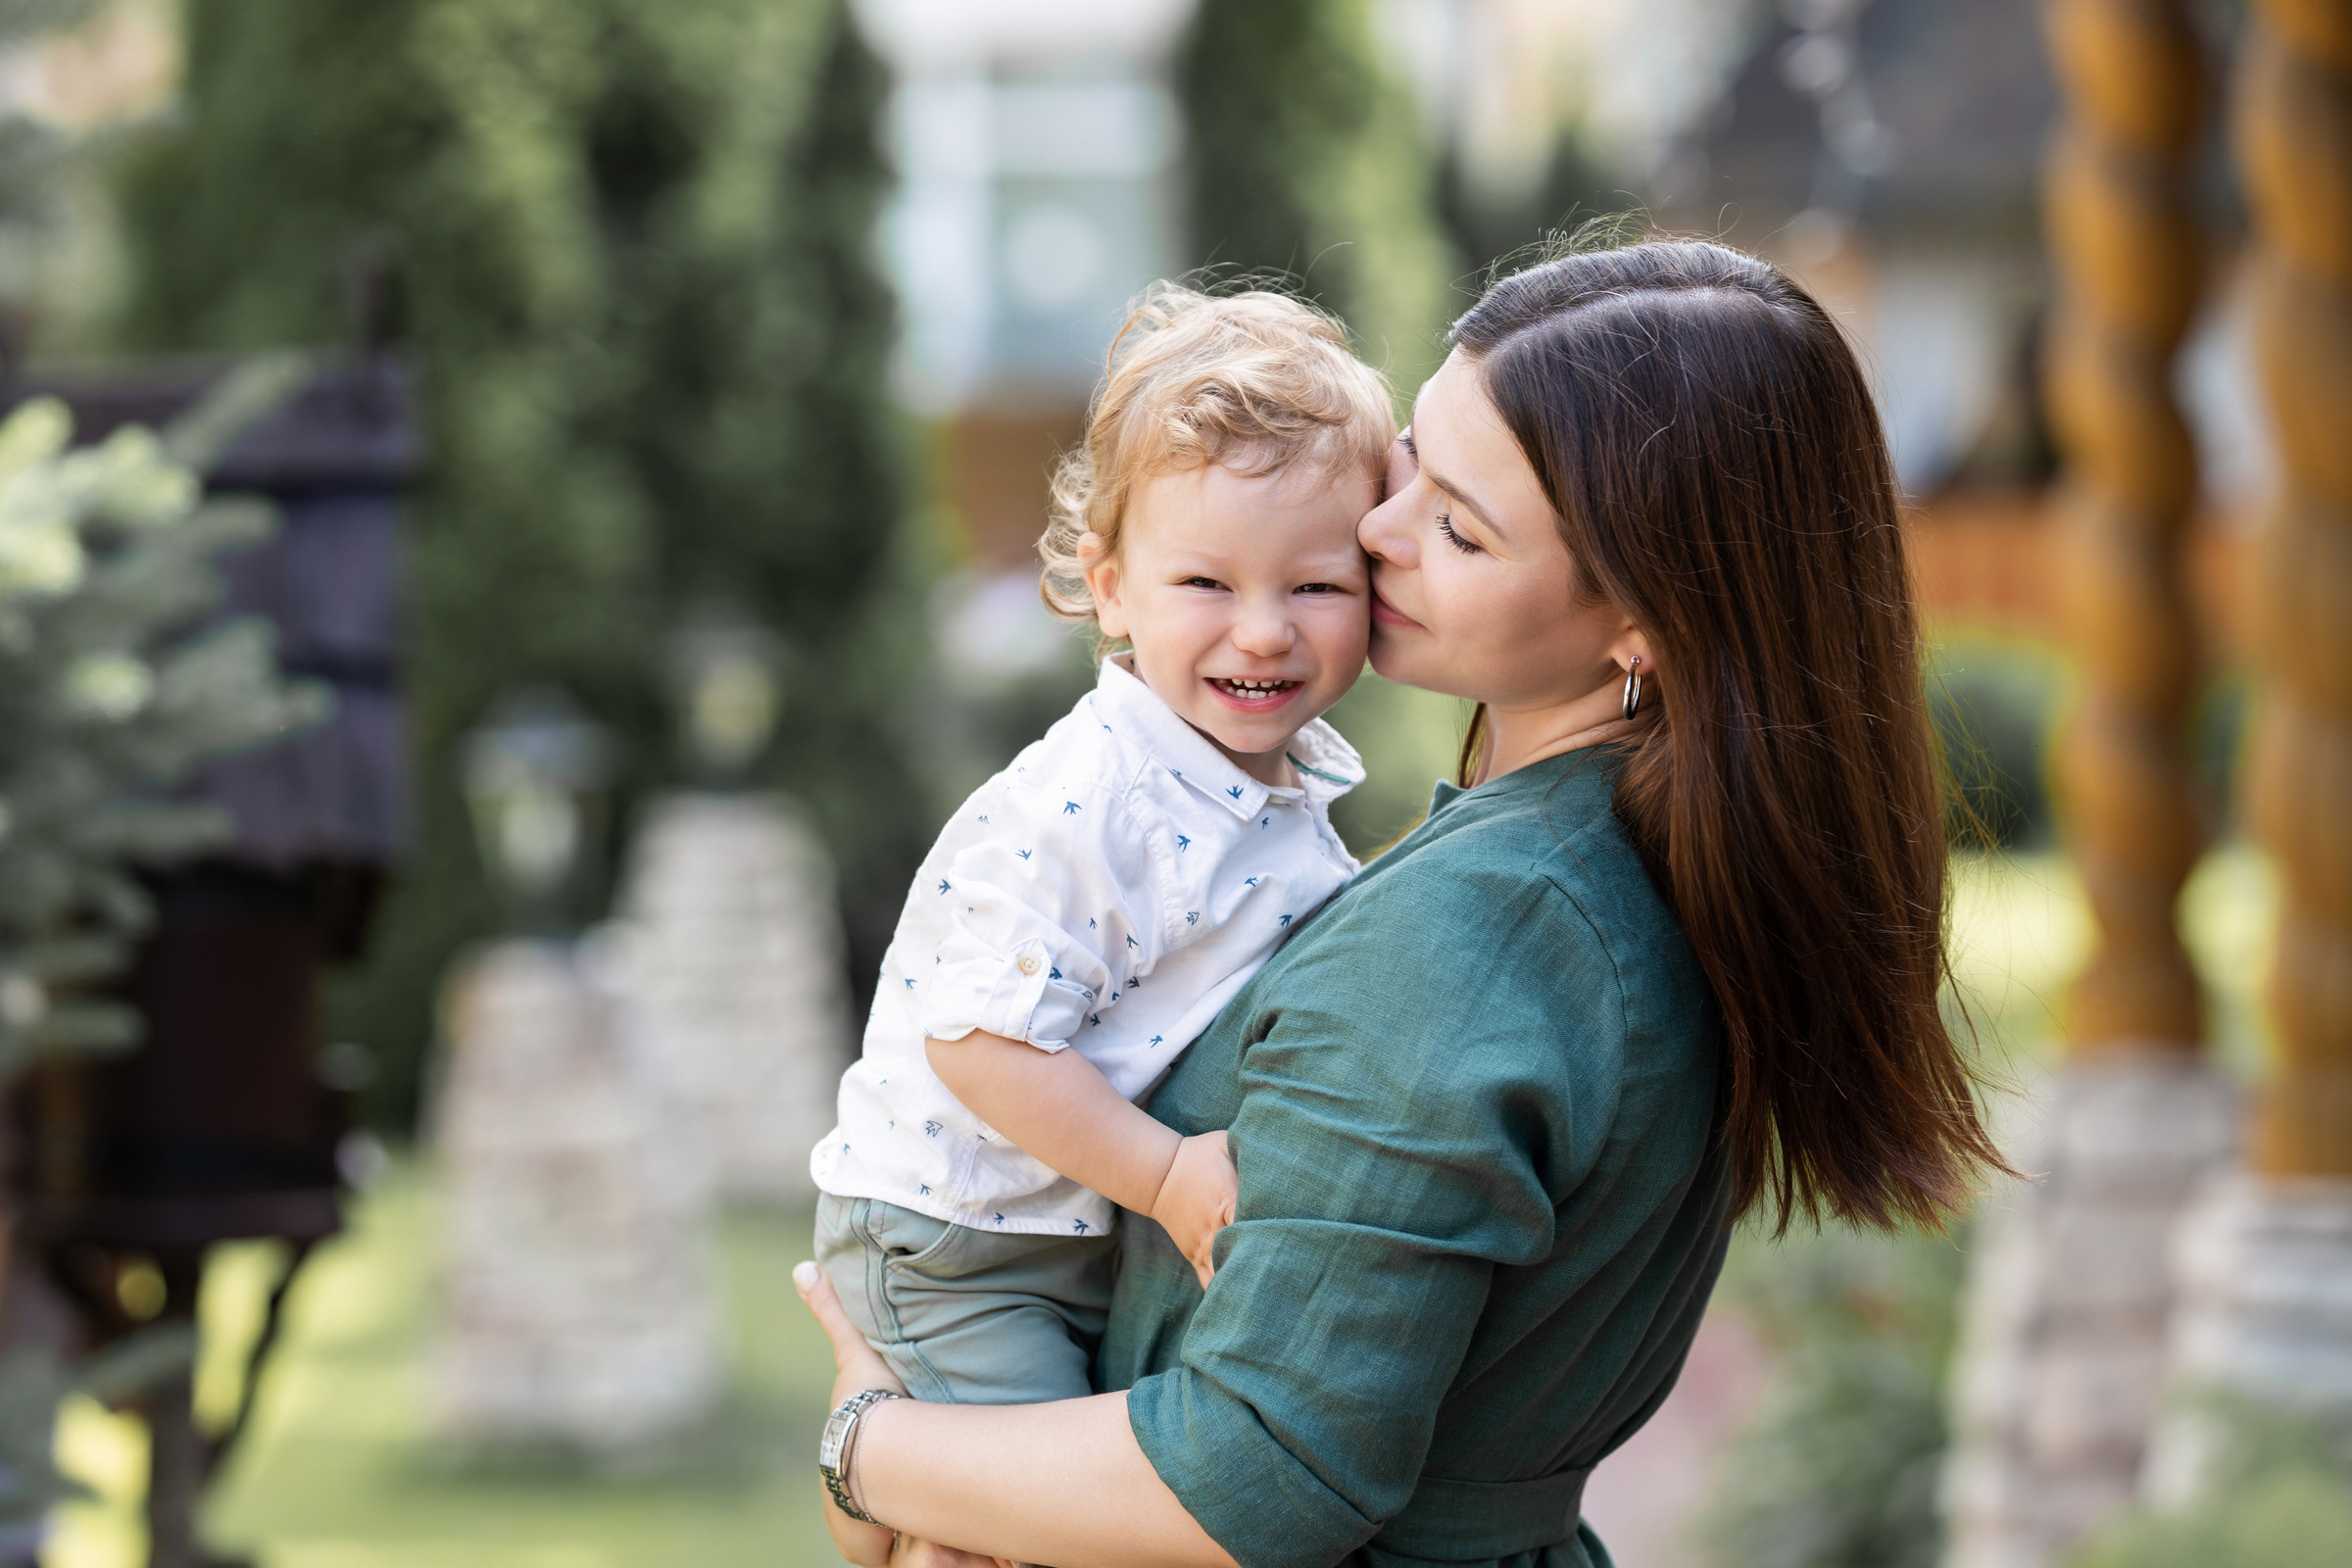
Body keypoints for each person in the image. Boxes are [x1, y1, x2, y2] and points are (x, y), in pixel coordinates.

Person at [796, 237, 2015, 1568]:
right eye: (1411, 467)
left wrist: (867, 1447)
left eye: (1458, 526)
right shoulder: (1647, 868)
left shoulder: (1480, 936)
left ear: (1644, 622)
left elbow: (1256, 1475)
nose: (1374, 530)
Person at [808, 283, 1398, 1553]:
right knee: (1053, 1528)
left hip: (1054, 1230)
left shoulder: (1271, 792)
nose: (1263, 630)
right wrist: (1167, 1174)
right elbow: (977, 1042)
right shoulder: (1097, 804)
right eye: (1206, 582)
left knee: (1019, 1520)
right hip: (958, 1235)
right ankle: (876, 1489)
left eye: (1315, 583)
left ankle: (887, 1507)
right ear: (1111, 586)